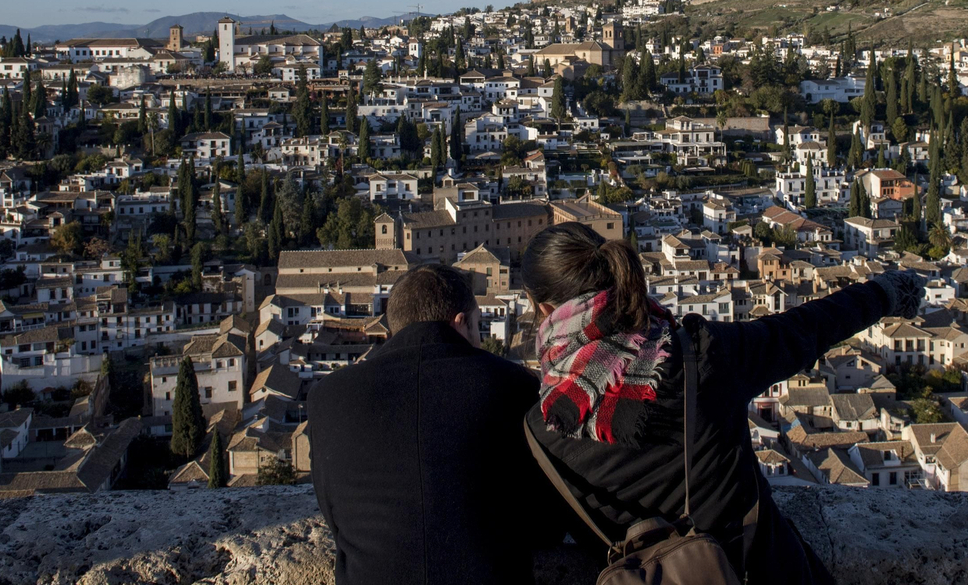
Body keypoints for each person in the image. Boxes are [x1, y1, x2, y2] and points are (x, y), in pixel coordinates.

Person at [521, 225, 924, 585]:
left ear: (542, 308)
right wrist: (885, 293)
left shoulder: (545, 426)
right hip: (763, 569)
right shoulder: (699, 355)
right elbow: (803, 330)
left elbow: (543, 529)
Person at [308, 264, 562, 585]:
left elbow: (336, 519)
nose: (480, 341)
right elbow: (545, 525)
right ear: (460, 322)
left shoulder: (329, 397)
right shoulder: (514, 386)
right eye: (478, 328)